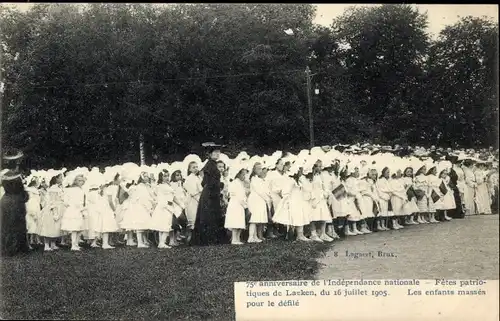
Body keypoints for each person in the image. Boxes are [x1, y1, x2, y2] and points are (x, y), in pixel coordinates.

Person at [192, 143, 228, 246]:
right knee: (209, 216)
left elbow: (204, 182)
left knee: (211, 215)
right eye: (215, 152)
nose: (217, 154)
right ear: (210, 154)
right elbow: (208, 181)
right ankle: (209, 239)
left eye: (218, 152)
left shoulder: (211, 164)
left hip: (210, 192)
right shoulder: (211, 165)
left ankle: (212, 238)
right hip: (210, 193)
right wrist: (220, 184)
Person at [1, 169, 30, 256]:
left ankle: (7, 248)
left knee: (6, 226)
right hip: (16, 203)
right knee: (18, 226)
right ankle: (18, 248)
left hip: (6, 201)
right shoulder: (17, 181)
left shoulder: (6, 179)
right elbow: (25, 196)